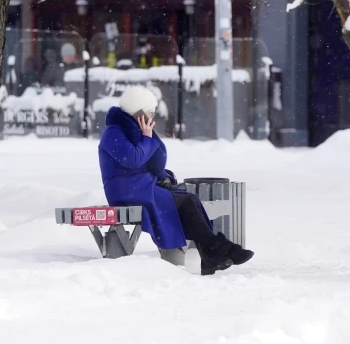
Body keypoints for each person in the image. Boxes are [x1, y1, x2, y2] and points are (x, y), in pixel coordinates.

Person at [98, 86, 254, 275]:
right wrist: (147, 139)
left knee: (190, 199)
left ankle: (211, 254)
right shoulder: (113, 133)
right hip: (124, 191)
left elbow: (156, 164)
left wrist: (149, 138)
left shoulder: (137, 131)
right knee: (185, 202)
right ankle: (217, 250)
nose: (152, 118)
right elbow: (133, 159)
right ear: (137, 112)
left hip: (142, 187)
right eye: (149, 113)